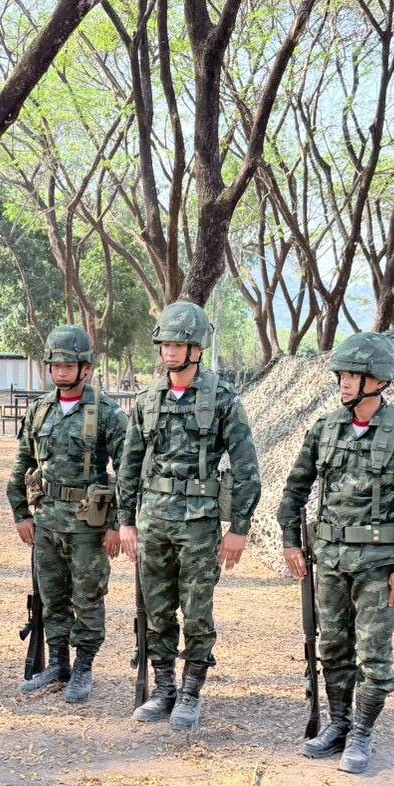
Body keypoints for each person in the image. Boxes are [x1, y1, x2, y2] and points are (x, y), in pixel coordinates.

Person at [275, 331, 394, 773]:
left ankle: (362, 735)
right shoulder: (325, 428)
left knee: (373, 655)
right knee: (332, 647)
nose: (344, 382)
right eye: (343, 374)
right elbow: (295, 490)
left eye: (354, 375)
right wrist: (291, 541)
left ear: (379, 381)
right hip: (329, 561)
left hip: (379, 566)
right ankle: (338, 723)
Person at [117, 300, 262, 730]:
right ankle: (164, 689)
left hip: (199, 523)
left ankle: (192, 690)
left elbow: (246, 467)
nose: (171, 352)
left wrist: (239, 527)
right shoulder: (146, 401)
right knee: (157, 608)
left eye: (180, 344)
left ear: (197, 348)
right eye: (165, 343)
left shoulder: (222, 400)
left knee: (196, 610)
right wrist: (126, 521)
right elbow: (129, 465)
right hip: (154, 519)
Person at [6, 325, 128, 703]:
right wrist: (21, 514)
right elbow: (22, 463)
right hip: (46, 523)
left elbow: (127, 471)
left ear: (86, 368)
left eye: (68, 365)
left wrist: (117, 524)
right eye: (55, 364)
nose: (60, 372)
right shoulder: (39, 411)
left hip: (88, 527)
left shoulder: (106, 413)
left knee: (87, 596)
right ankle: (58, 663)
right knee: (52, 597)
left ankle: (84, 668)